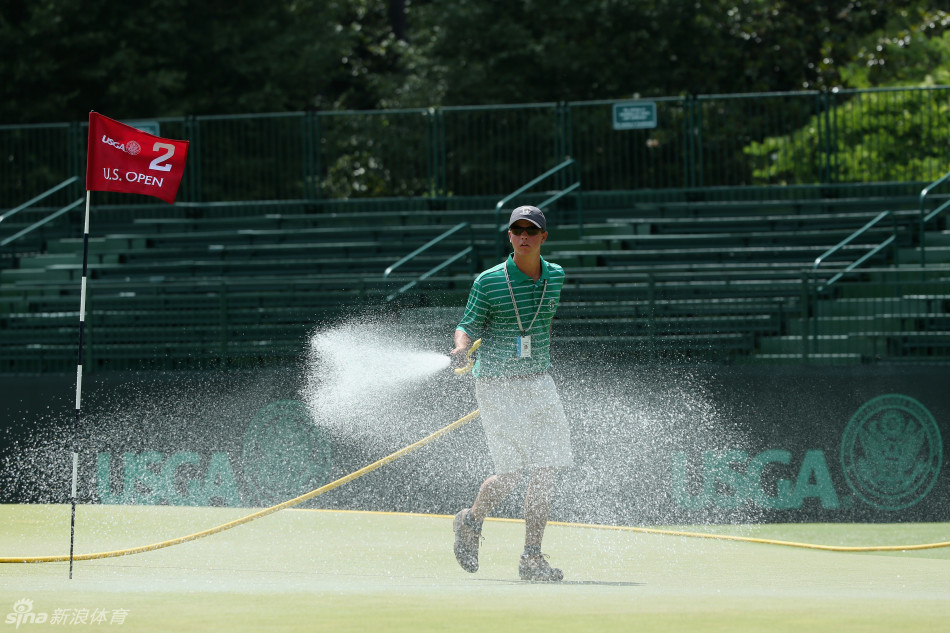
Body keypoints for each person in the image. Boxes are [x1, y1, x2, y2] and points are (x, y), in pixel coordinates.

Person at [450, 204, 573, 582]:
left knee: (545, 471)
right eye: (517, 230)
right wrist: (460, 347)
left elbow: (542, 324)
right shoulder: (488, 281)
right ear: (509, 236)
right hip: (497, 387)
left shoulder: (556, 276)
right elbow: (467, 325)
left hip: (539, 382)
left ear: (542, 238)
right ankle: (470, 521)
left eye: (531, 231)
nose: (523, 236)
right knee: (510, 476)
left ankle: (531, 559)